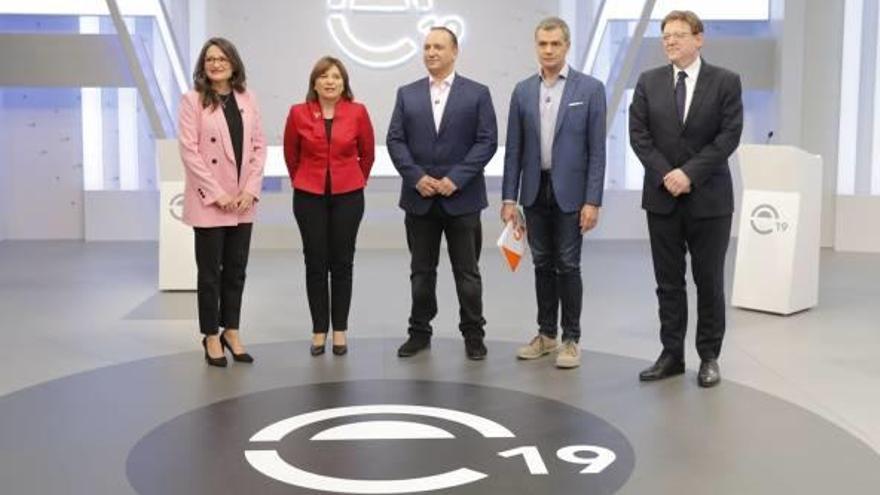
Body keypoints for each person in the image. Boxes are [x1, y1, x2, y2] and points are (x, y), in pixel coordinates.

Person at [629, 10, 743, 387]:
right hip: (662, 198)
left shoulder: (725, 82)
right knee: (668, 282)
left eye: (679, 35)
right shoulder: (648, 82)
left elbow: (728, 137)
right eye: (665, 36)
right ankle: (671, 355)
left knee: (708, 280)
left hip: (709, 200)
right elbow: (639, 136)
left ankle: (709, 356)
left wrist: (689, 174)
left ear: (699, 38)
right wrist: (667, 174)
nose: (671, 42)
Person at [387, 26, 498, 360]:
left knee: (467, 273)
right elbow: (395, 140)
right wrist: (416, 176)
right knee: (421, 272)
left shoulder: (477, 93)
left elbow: (487, 141)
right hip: (419, 199)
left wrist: (457, 178)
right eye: (426, 47)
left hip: (462, 200)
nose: (431, 52)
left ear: (454, 52)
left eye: (438, 47)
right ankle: (419, 332)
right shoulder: (406, 94)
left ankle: (474, 335)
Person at [502, 17, 606, 369]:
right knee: (542, 264)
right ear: (537, 47)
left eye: (555, 44)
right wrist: (507, 199)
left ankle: (571, 339)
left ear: (567, 46)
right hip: (534, 191)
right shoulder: (522, 90)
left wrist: (593, 200)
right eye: (542, 44)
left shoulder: (589, 90)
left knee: (568, 264)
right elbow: (513, 149)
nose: (548, 50)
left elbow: (597, 151)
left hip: (572, 194)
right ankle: (546, 335)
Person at [178, 37, 266, 367]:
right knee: (210, 274)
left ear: (233, 63)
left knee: (236, 271)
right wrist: (218, 194)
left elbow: (259, 147)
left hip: (243, 201)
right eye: (210, 59)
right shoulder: (192, 100)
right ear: (203, 65)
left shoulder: (247, 97)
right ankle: (210, 336)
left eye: (222, 58)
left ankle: (232, 330)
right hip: (210, 201)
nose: (216, 63)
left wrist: (249, 191)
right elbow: (190, 151)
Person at [283, 56, 375, 357]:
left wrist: (355, 179)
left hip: (348, 195)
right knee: (315, 262)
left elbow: (368, 153)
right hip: (309, 196)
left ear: (344, 82)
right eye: (323, 76)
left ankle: (340, 331)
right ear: (314, 82)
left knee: (343, 263)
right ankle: (319, 330)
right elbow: (290, 154)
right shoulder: (298, 113)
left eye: (336, 76)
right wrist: (303, 179)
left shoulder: (358, 112)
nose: (330, 81)